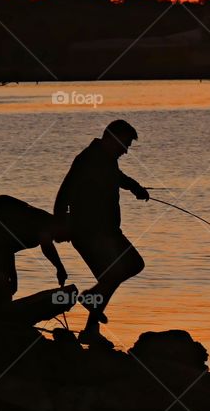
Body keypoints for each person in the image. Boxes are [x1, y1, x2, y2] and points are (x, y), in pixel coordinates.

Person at [54, 120, 149, 348]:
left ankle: (90, 328)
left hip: (107, 231)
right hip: (90, 232)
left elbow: (118, 177)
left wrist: (135, 187)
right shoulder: (88, 159)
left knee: (115, 275)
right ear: (111, 138)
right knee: (117, 273)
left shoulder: (106, 160)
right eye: (124, 144)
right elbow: (65, 191)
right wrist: (61, 222)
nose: (125, 150)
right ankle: (90, 324)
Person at [0, 195, 71, 311]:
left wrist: (59, 268)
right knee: (1, 284)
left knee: (6, 285)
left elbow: (8, 248)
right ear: (60, 224)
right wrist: (60, 268)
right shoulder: (42, 222)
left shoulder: (42, 222)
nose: (68, 240)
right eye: (68, 234)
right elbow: (46, 246)